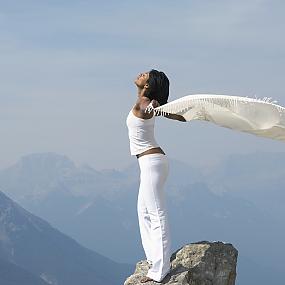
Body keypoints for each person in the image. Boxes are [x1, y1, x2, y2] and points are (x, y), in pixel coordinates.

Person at [126, 69, 186, 283]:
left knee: (156, 213)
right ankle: (154, 259)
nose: (140, 74)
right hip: (149, 164)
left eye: (145, 74)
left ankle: (160, 271)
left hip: (152, 164)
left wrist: (158, 108)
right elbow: (168, 114)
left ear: (148, 85)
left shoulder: (145, 104)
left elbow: (156, 109)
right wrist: (168, 111)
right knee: (143, 212)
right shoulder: (143, 102)